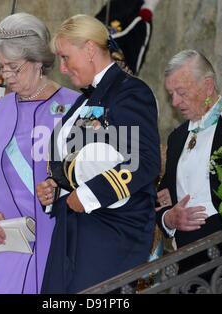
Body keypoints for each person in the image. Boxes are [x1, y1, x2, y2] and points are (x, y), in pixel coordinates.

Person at [36, 14, 160, 293]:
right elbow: (76, 163)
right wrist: (55, 188)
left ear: (90, 49)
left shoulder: (129, 92)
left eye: (66, 58)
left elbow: (143, 160)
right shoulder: (85, 99)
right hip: (74, 226)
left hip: (112, 229)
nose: (64, 69)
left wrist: (89, 194)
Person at [0, 13, 80, 294]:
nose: (6, 76)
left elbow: (93, 177)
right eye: (0, 68)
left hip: (57, 246)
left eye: (13, 68)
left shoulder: (75, 108)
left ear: (38, 62)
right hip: (8, 249)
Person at [156, 50, 222, 279]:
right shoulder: (176, 138)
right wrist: (168, 218)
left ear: (208, 85)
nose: (174, 102)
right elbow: (161, 196)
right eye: (171, 94)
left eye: (181, 92)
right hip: (182, 261)